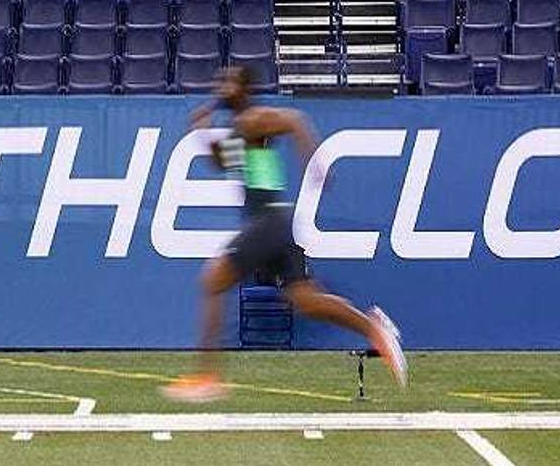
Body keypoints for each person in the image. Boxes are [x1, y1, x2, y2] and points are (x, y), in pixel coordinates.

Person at [161, 66, 407, 403]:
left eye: (230, 81)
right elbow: (226, 163)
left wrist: (312, 161)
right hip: (275, 225)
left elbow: (294, 119)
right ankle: (373, 327)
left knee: (212, 279)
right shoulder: (240, 127)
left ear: (245, 89)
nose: (223, 86)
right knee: (307, 301)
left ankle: (207, 378)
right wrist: (204, 132)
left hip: (269, 224)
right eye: (220, 81)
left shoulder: (254, 118)